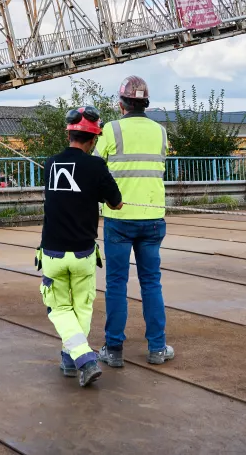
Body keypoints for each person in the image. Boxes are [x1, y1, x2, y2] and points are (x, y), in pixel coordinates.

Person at [38, 106, 123, 388]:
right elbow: (115, 202)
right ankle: (85, 359)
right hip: (84, 253)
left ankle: (70, 358)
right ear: (93, 140)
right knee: (82, 308)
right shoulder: (96, 166)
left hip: (51, 252)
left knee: (59, 308)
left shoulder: (51, 164)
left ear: (71, 134)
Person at [96, 75, 175, 368]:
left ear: (121, 105)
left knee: (116, 284)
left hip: (119, 218)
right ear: (146, 104)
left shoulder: (110, 129)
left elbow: (95, 166)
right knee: (151, 284)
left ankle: (113, 350)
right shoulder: (161, 132)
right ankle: (157, 348)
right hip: (153, 217)